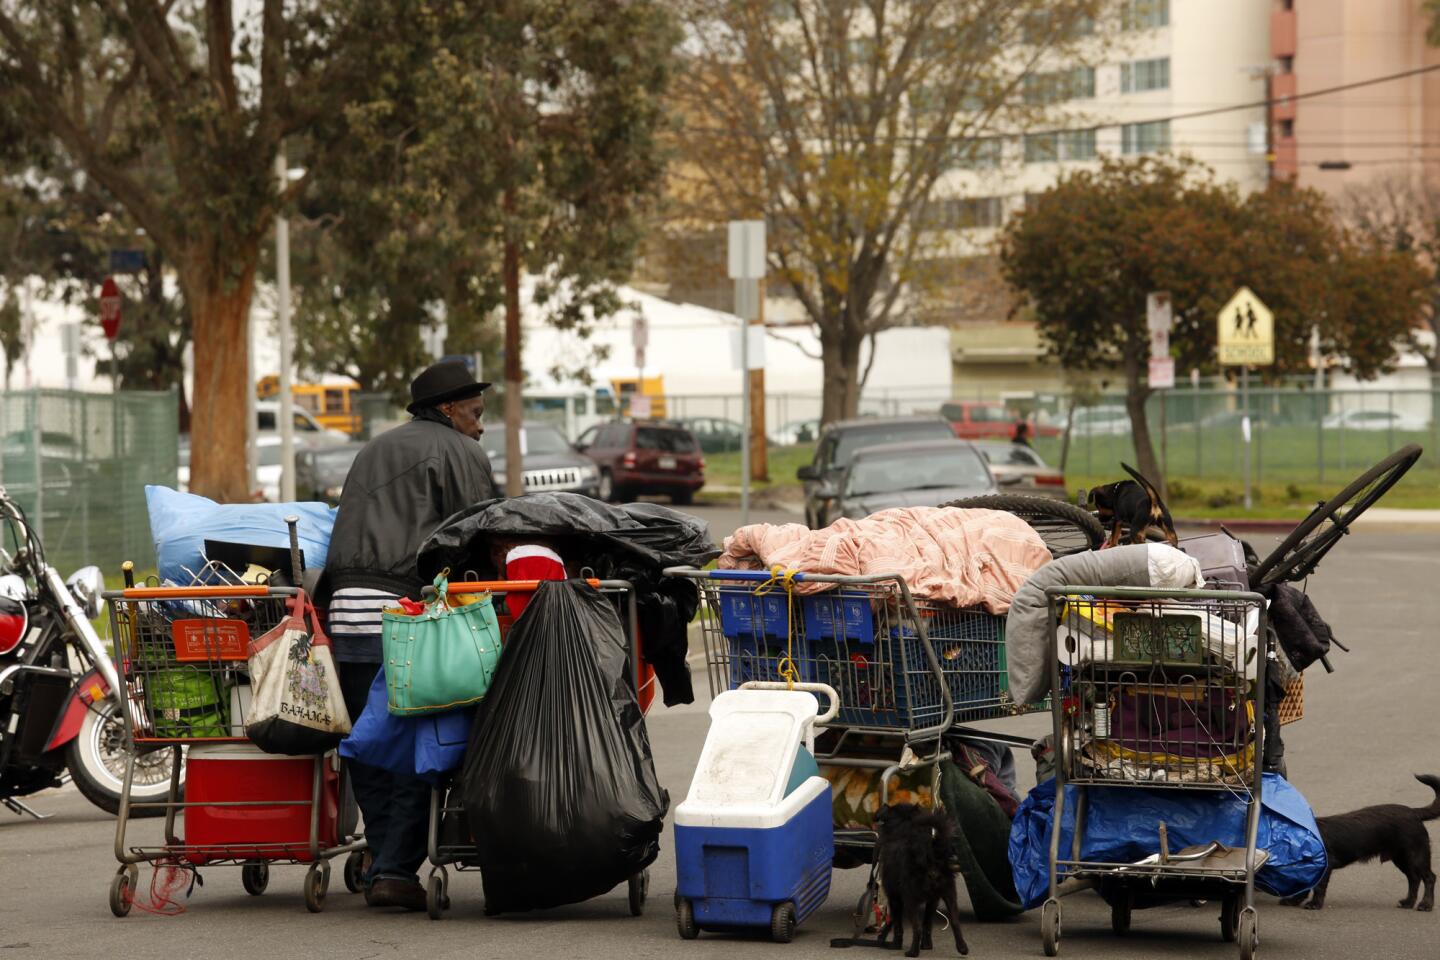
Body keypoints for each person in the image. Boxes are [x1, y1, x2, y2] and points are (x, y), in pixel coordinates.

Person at [320, 359, 495, 911]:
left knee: (368, 745)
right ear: (447, 408)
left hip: (347, 613)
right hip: (406, 617)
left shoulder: (371, 449)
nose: (481, 425)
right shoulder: (461, 453)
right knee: (420, 744)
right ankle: (394, 869)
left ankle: (381, 855)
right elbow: (476, 533)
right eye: (475, 413)